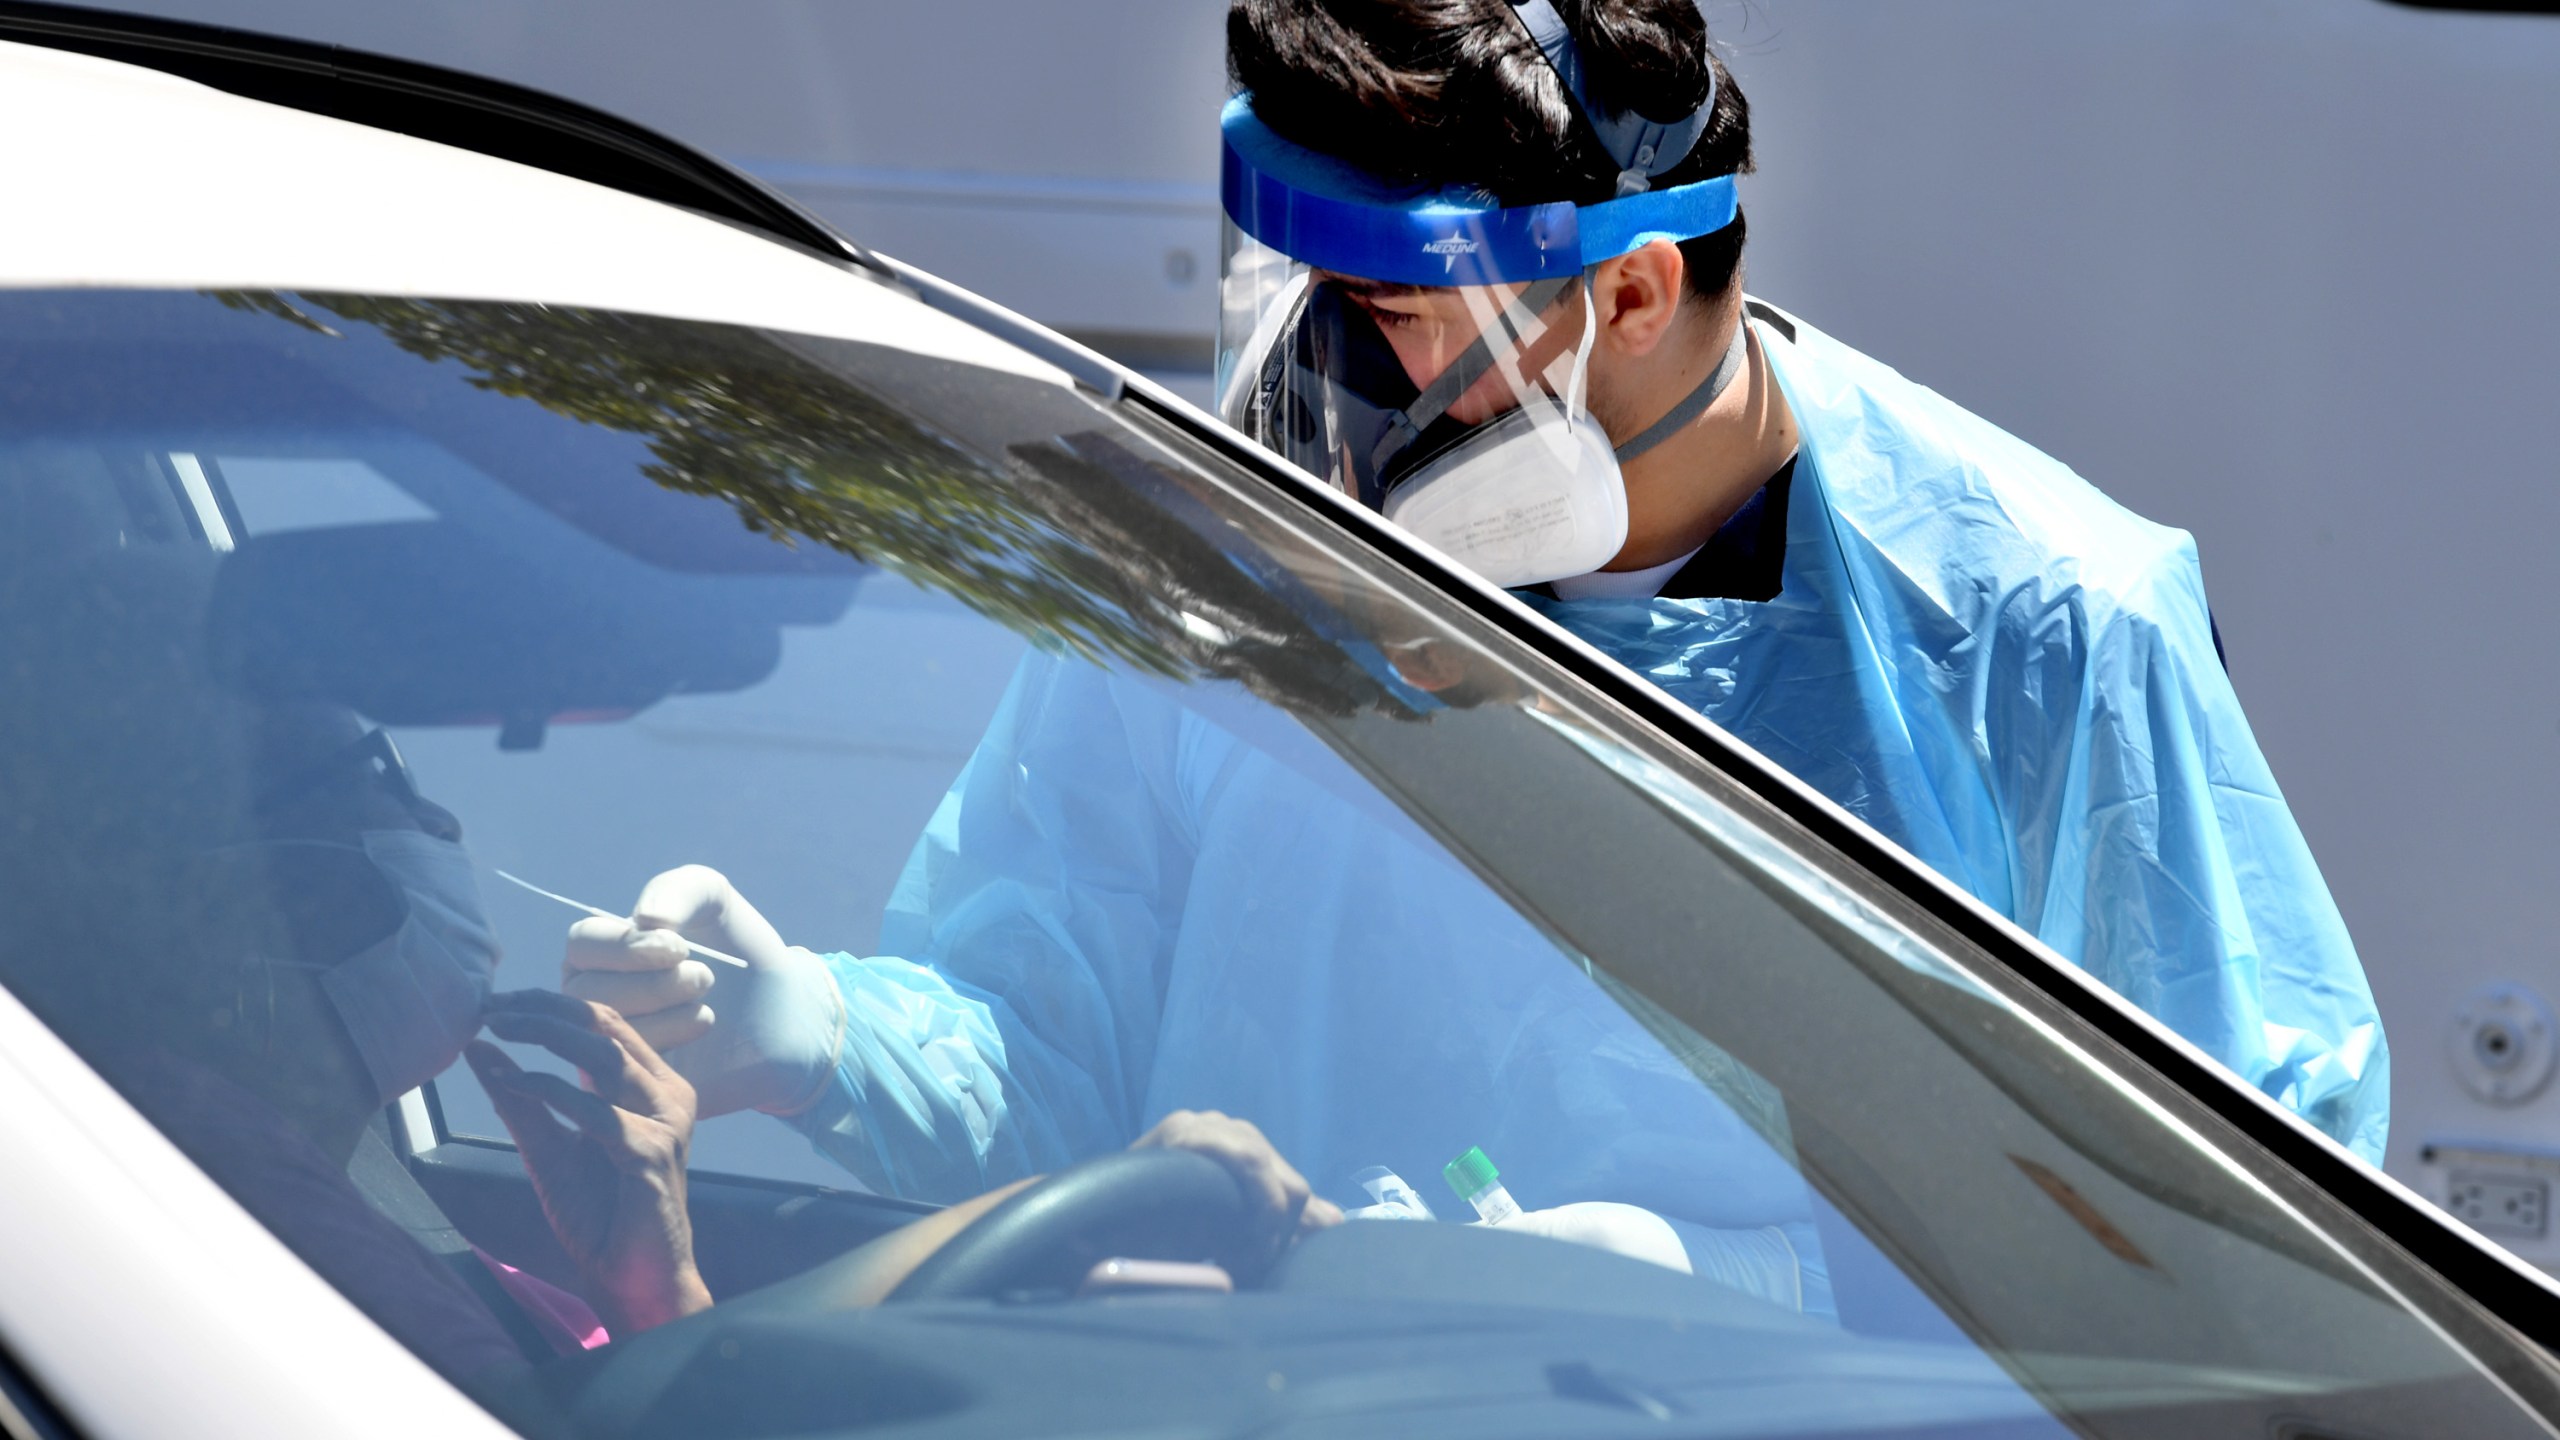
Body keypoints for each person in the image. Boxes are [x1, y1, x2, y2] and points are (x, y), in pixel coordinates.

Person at [0, 553, 1336, 1390]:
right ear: (260, 871)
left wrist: (654, 1289)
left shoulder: (340, 1196)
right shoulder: (206, 1182)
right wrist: (840, 1054)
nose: (446, 831)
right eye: (384, 783)